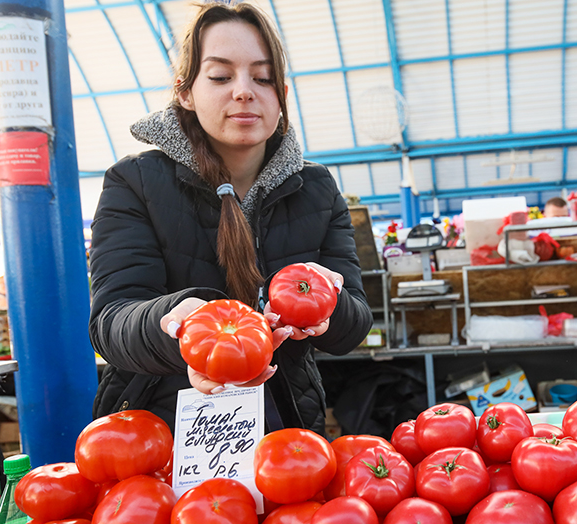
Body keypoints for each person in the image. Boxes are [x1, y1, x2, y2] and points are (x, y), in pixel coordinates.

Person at [88, 2, 373, 434]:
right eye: (221, 76)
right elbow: (111, 322)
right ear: (185, 91)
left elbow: (354, 326)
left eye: (263, 78)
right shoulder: (135, 182)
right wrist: (177, 325)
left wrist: (328, 307)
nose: (244, 91)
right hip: (159, 427)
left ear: (282, 95)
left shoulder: (315, 187)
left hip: (284, 429)